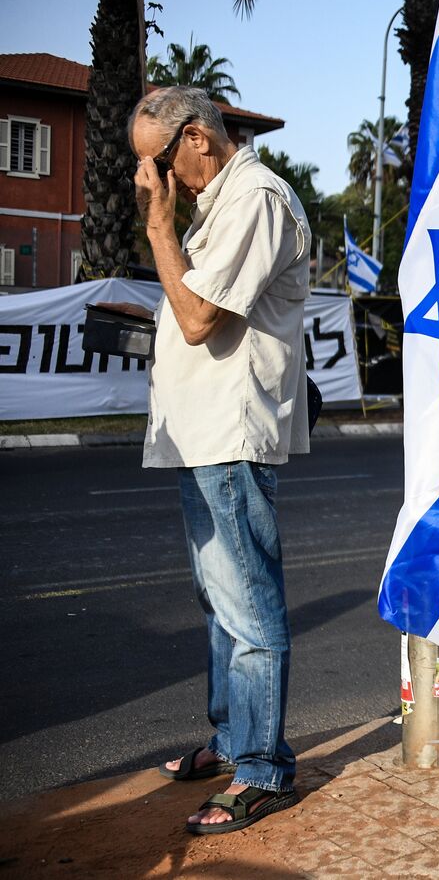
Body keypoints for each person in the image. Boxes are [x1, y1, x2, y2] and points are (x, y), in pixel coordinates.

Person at [128, 87, 308, 833]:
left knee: (250, 605)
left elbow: (200, 320)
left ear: (196, 138)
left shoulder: (256, 199)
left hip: (230, 436)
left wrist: (159, 228)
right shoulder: (219, 207)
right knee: (218, 602)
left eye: (158, 161)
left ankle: (262, 770)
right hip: (198, 431)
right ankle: (233, 738)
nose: (154, 179)